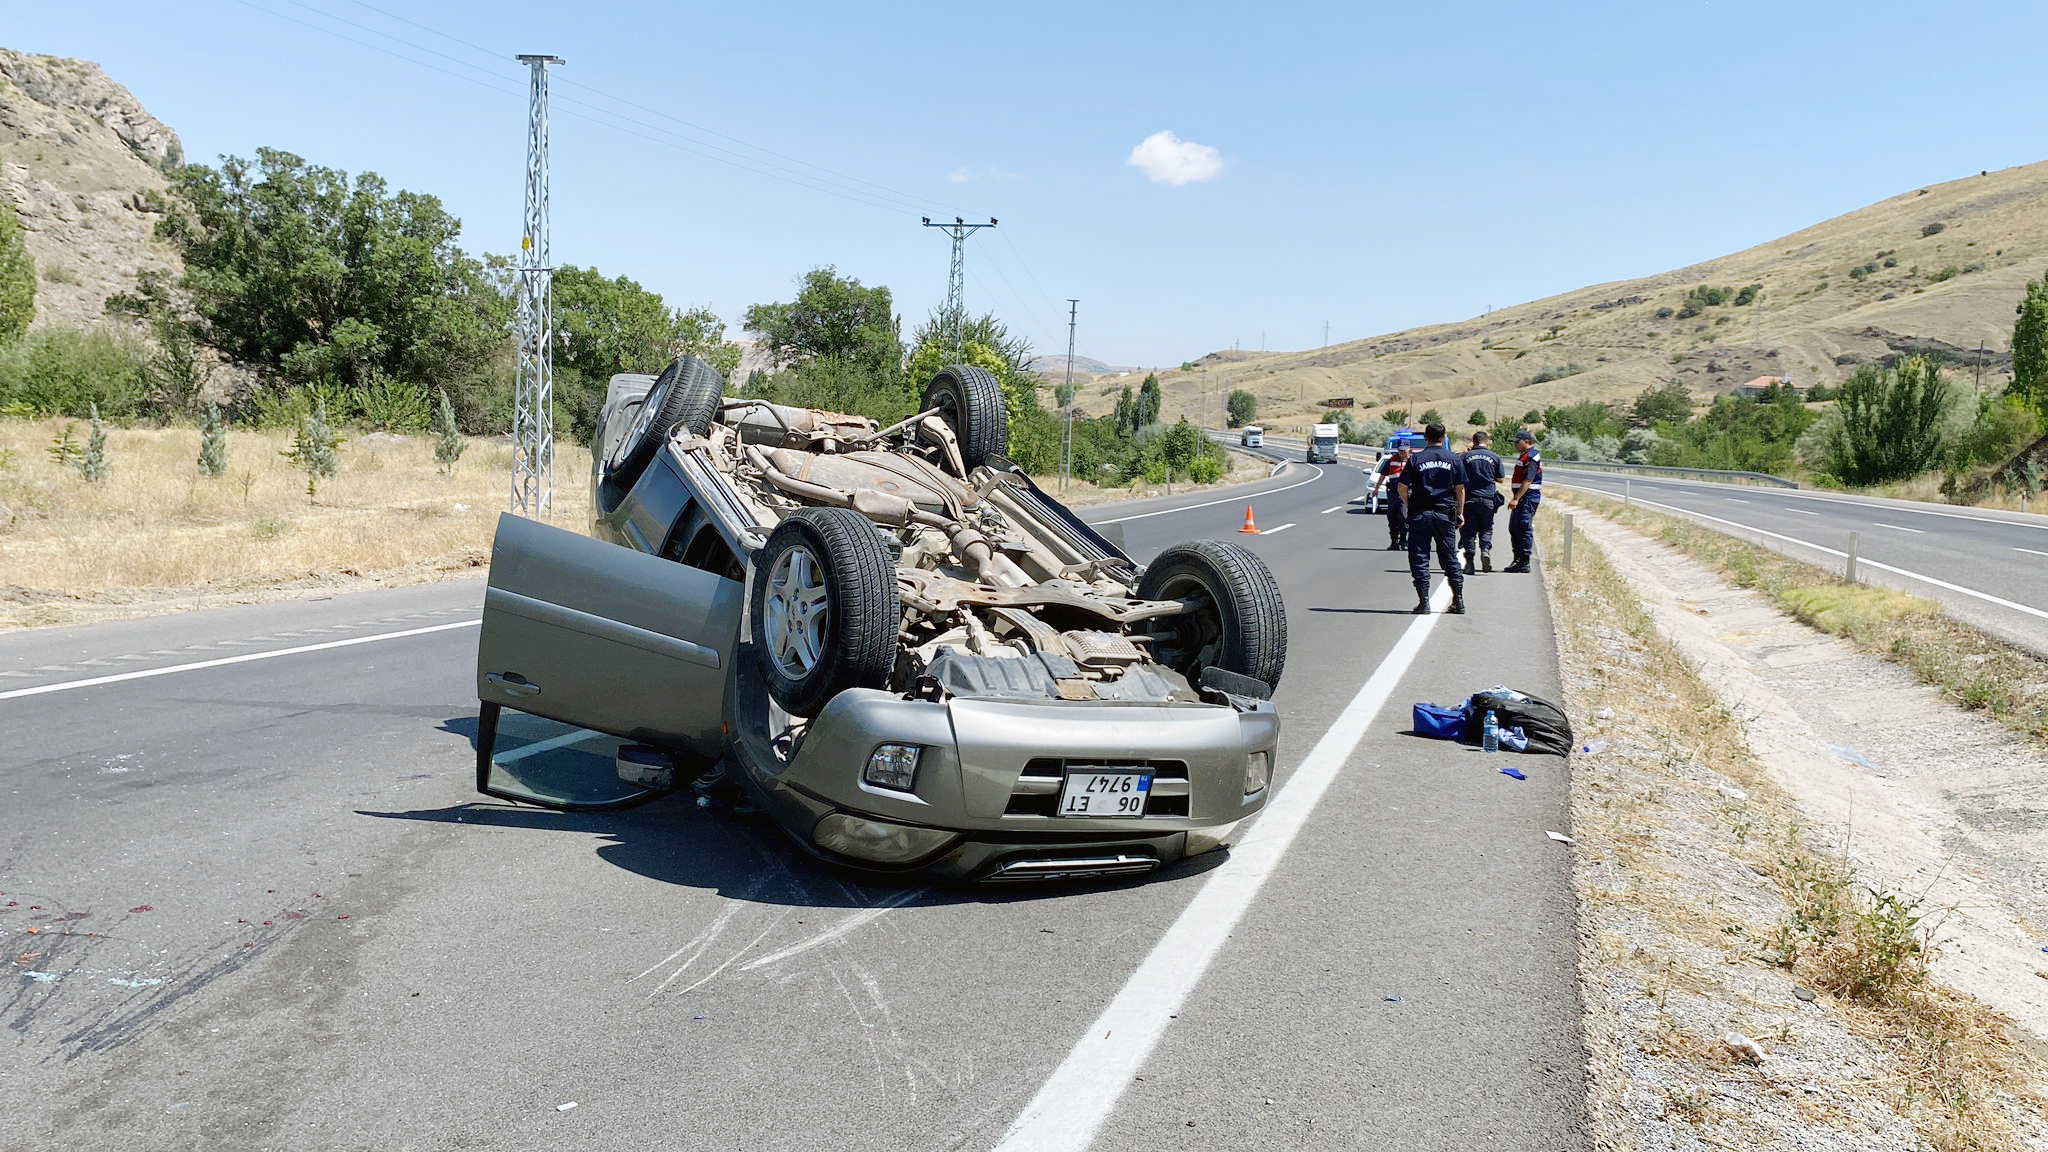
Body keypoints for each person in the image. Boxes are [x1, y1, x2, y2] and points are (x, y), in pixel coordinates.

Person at [1395, 422, 1466, 615]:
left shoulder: (1416, 459)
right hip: (1445, 514)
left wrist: (1408, 504)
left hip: (1420, 514)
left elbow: (1402, 486)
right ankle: (1458, 601)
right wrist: (1460, 512)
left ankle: (1424, 602)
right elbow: (1460, 489)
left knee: (1419, 557)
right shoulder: (1454, 459)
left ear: (1426, 437)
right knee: (1449, 557)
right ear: (1444, 437)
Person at [1458, 430, 1505, 573]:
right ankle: (1485, 550)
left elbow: (1457, 477)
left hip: (1469, 499)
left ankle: (1470, 562)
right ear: (1487, 441)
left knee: (1469, 530)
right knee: (1486, 528)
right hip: (1488, 499)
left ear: (1474, 442)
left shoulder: (1465, 457)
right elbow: (1501, 479)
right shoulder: (1495, 457)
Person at [1504, 429, 1544, 573]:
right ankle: (1518, 559)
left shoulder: (1531, 457)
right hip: (1523, 497)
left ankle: (1524, 561)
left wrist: (1516, 498)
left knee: (1523, 528)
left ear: (1526, 442)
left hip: (1527, 497)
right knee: (1514, 528)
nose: (1515, 444)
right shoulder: (1525, 455)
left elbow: (1528, 480)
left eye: (1517, 442)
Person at [1366, 441, 1411, 550]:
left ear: (1409, 450)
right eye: (1400, 450)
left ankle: (1403, 541)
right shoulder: (1391, 460)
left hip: (1406, 493)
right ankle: (1394, 542)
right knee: (1392, 517)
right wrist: (1376, 488)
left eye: (1404, 451)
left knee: (1404, 516)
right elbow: (1382, 475)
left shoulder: (1413, 461)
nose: (1402, 453)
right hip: (1393, 493)